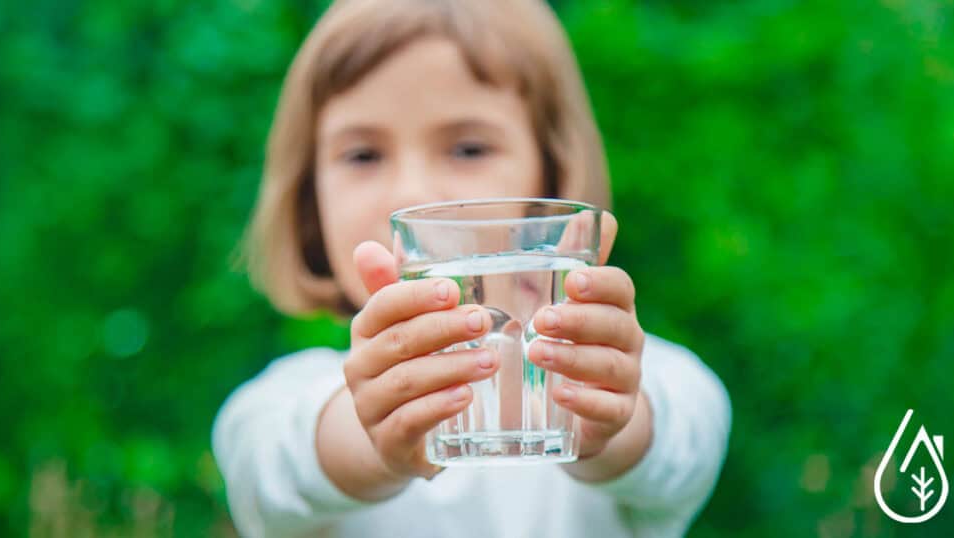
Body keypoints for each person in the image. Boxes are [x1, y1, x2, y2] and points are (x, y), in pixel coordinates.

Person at [213, 1, 731, 536]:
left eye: (467, 148)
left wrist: (603, 417)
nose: (411, 190)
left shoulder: (655, 378)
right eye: (364, 155)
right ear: (308, 200)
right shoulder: (279, 404)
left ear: (550, 175)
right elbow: (274, 477)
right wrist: (375, 437)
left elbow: (683, 447)